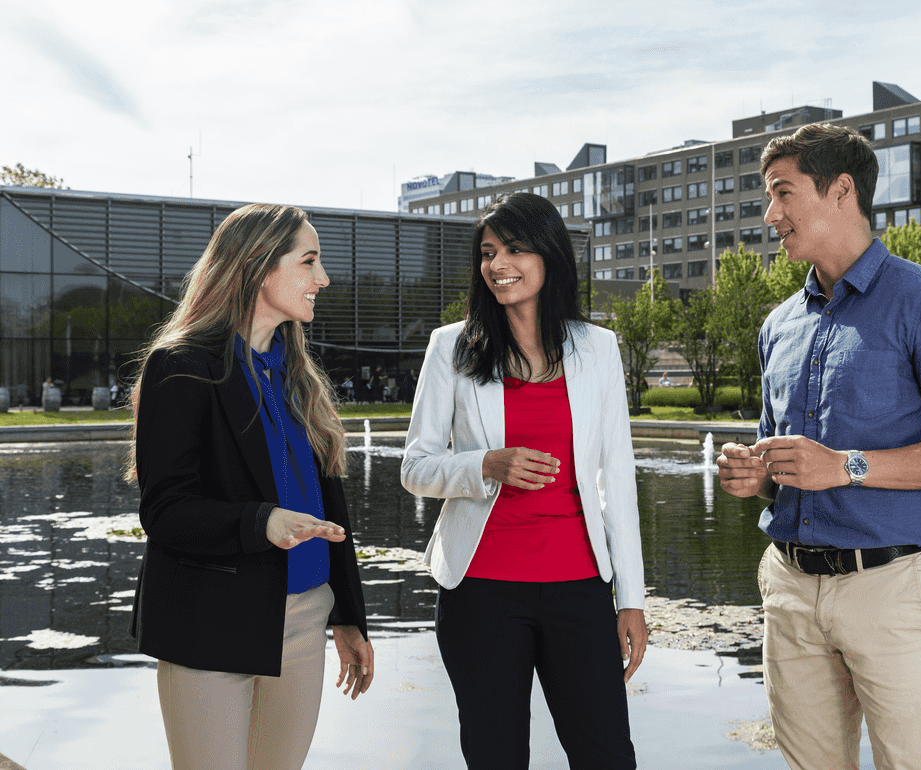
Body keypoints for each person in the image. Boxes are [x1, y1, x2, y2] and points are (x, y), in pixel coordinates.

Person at [717, 124, 921, 770]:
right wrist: (755, 473)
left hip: (890, 588)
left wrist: (846, 467)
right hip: (788, 588)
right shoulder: (778, 325)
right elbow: (784, 466)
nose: (771, 215)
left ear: (840, 190)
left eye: (782, 193)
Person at [124, 203, 374, 770]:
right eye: (309, 261)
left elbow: (330, 506)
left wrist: (348, 616)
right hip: (210, 621)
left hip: (307, 617)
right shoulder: (180, 365)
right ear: (260, 267)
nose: (323, 278)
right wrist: (262, 522)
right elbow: (166, 512)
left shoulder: (299, 375)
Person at [401, 192, 646, 769]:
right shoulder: (451, 347)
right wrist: (485, 464)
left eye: (514, 248)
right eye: (488, 251)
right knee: (495, 757)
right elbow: (415, 467)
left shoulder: (599, 348)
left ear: (550, 255)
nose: (497, 263)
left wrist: (631, 600)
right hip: (481, 591)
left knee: (608, 756)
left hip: (580, 586)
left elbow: (619, 480)